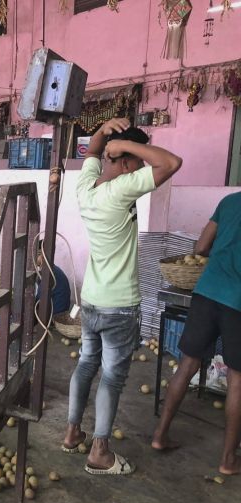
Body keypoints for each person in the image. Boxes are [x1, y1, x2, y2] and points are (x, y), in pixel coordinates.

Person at [61, 118, 182, 475]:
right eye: (136, 160)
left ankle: (72, 434)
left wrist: (103, 130)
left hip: (94, 300)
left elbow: (94, 152)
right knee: (112, 377)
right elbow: (171, 163)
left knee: (86, 364)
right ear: (128, 163)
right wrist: (126, 145)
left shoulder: (87, 187)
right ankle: (99, 451)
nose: (142, 166)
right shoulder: (123, 189)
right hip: (120, 305)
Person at [152, 192, 241, 475]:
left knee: (187, 365)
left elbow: (201, 246)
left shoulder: (229, 202)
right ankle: (228, 460)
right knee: (237, 380)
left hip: (206, 291)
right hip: (238, 301)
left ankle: (159, 436)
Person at [35, 239, 71, 315]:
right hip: (61, 310)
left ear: (42, 255)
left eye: (37, 255)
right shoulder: (53, 269)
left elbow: (39, 299)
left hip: (55, 314)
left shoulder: (48, 274)